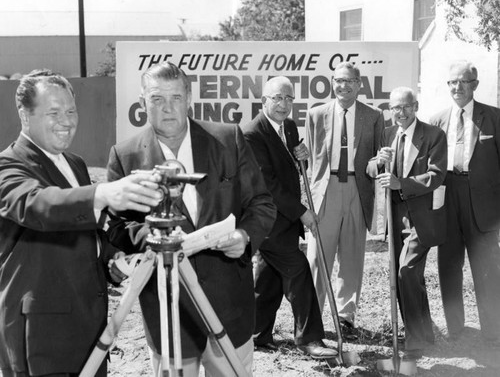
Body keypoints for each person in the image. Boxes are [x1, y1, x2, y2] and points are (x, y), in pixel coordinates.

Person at [106, 61, 276, 376]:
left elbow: (262, 204)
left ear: (189, 99)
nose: (167, 108)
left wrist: (243, 236)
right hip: (168, 313)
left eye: (175, 98)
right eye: (157, 99)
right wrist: (162, 242)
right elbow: (118, 228)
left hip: (229, 306)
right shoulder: (125, 155)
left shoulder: (228, 139)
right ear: (143, 103)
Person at [0, 69, 163, 377]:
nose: (67, 120)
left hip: (89, 326)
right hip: (42, 335)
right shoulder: (8, 165)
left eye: (72, 111)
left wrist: (112, 260)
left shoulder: (73, 163)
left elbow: (83, 228)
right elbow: (39, 205)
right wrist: (104, 192)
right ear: (24, 114)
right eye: (54, 112)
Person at [242, 76, 337, 359]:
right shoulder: (251, 134)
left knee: (268, 278)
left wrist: (301, 157)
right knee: (298, 271)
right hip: (266, 221)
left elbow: (291, 167)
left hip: (283, 221)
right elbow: (268, 184)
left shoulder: (289, 127)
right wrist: (303, 212)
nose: (284, 105)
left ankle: (257, 336)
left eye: (288, 99)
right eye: (277, 98)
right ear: (263, 101)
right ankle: (309, 339)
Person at [305, 61, 384, 338]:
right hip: (325, 191)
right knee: (317, 257)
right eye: (339, 80)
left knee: (352, 256)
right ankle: (312, 315)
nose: (343, 86)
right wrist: (308, 202)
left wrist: (379, 162)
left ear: (359, 84)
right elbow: (310, 163)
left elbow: (377, 159)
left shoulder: (373, 116)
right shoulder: (316, 115)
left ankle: (345, 316)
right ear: (332, 82)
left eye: (349, 81)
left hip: (357, 188)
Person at [367, 87, 447, 358]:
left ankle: (415, 337)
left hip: (422, 217)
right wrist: (378, 162)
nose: (400, 113)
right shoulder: (388, 134)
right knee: (407, 277)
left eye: (405, 107)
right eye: (395, 108)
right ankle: (423, 331)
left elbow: (436, 175)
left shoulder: (434, 135)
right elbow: (372, 170)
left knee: (406, 271)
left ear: (416, 106)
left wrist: (401, 183)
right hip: (395, 216)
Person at [430, 60, 500, 344]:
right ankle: (455, 329)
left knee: (487, 268)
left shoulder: (494, 117)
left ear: (475, 84)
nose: (456, 87)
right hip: (448, 197)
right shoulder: (437, 121)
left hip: (482, 204)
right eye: (451, 82)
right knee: (448, 265)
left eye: (462, 81)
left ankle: (493, 332)